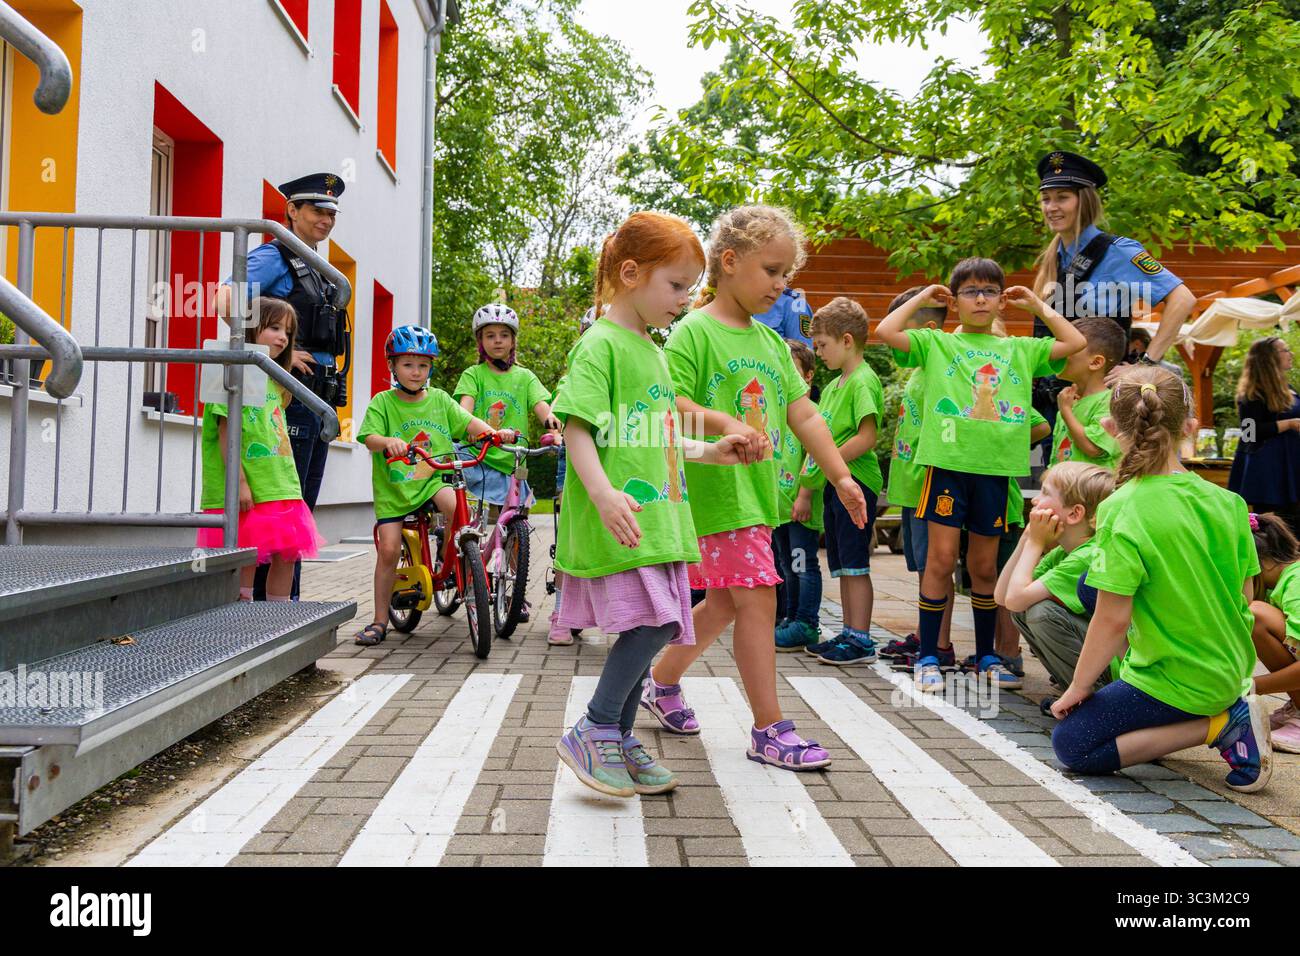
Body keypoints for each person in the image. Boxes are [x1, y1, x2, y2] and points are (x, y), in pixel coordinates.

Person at [643, 204, 868, 771]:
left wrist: (840, 476)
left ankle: (661, 681)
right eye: (771, 270)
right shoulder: (693, 332)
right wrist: (724, 423)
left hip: (754, 499)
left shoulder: (771, 345)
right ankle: (769, 728)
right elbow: (671, 406)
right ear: (729, 262)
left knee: (722, 601)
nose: (781, 284)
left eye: (786, 273)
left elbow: (805, 416)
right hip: (714, 495)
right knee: (758, 599)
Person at [551, 211, 755, 797]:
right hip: (626, 520)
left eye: (690, 288)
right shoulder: (601, 345)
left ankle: (615, 731)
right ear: (631, 273)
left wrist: (712, 451)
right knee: (657, 621)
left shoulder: (653, 351)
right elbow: (577, 428)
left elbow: (659, 436)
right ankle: (595, 727)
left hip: (661, 518)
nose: (684, 299)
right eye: (676, 285)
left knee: (661, 622)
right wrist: (602, 492)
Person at [1051, 367, 1271, 794]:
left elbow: (1113, 620)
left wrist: (1077, 688)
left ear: (1109, 427)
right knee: (1087, 588)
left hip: (1178, 679)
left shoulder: (1122, 507)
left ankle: (1221, 725)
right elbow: (1245, 596)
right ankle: (1218, 709)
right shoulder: (1229, 501)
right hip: (1229, 668)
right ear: (1189, 426)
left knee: (1073, 745)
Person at [876, 257, 1085, 693]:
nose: (981, 298)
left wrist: (1037, 306)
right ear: (955, 300)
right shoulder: (937, 345)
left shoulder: (1020, 350)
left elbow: (1075, 340)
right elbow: (884, 333)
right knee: (939, 559)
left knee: (984, 566)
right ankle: (930, 654)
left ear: (1001, 300)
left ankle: (988, 653)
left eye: (990, 290)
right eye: (970, 291)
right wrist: (922, 297)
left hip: (995, 475)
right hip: (947, 469)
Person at [214, 172, 350, 601]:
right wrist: (280, 353)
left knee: (298, 512)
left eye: (331, 213)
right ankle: (263, 612)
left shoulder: (316, 265)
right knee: (280, 512)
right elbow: (226, 300)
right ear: (291, 211)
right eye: (316, 210)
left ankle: (284, 612)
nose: (326, 220)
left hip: (315, 399)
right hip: (287, 397)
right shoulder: (277, 255)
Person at [353, 325, 500, 647]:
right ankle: (379, 621)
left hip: (433, 479)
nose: (416, 372)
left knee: (459, 510)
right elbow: (368, 437)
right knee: (389, 549)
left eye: (423, 365)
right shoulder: (384, 403)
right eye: (408, 364)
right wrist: (388, 441)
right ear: (392, 366)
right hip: (396, 490)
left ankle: (450, 561)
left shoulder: (440, 400)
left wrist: (494, 433)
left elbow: (468, 422)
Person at [1030, 151, 1195, 427]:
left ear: (1084, 201)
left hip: (1101, 404)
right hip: (1057, 400)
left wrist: (1146, 366)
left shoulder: (1118, 251)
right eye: (1046, 199)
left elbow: (1183, 299)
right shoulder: (1055, 257)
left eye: (1062, 197)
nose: (1051, 207)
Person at [196, 297, 325, 601]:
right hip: (251, 487)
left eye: (288, 332)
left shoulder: (276, 380)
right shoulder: (232, 372)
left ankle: (277, 617)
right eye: (275, 327)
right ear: (252, 328)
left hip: (280, 484)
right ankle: (244, 614)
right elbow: (225, 428)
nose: (283, 337)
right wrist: (239, 483)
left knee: (288, 554)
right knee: (248, 555)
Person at [454, 303, 559, 623]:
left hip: (513, 461)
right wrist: (475, 428)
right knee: (467, 519)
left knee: (517, 527)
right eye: (489, 335)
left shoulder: (525, 377)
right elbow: (464, 410)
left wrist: (554, 426)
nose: (497, 340)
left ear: (513, 341)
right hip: (480, 455)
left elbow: (544, 408)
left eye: (504, 335)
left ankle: (516, 593)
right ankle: (464, 565)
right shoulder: (474, 374)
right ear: (480, 341)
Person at [875, 288, 957, 670]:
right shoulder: (920, 373)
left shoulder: (941, 374)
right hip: (910, 486)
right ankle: (927, 634)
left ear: (925, 331)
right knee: (923, 566)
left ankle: (939, 644)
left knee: (935, 566)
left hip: (928, 484)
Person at [802, 296, 884, 666]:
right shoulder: (836, 384)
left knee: (855, 564)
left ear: (847, 340)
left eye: (822, 345)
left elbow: (867, 438)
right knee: (842, 563)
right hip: (838, 485)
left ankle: (861, 638)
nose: (818, 353)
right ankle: (850, 632)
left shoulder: (863, 381)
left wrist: (830, 462)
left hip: (857, 483)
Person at [996, 461, 1116, 706]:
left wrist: (1035, 544)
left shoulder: (1087, 555)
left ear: (1075, 514)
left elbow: (1014, 598)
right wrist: (1028, 538)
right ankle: (1077, 693)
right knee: (1024, 611)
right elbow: (1003, 597)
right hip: (1103, 659)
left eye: (1046, 494)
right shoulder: (1064, 552)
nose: (1035, 501)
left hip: (1118, 669)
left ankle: (1095, 700)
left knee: (1042, 612)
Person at [547, 305, 597, 647]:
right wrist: (554, 428)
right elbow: (556, 412)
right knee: (569, 539)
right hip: (576, 463)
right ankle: (561, 613)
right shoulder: (572, 379)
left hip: (619, 463)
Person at [773, 339, 824, 652]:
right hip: (779, 508)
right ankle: (790, 618)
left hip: (800, 508)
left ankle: (806, 622)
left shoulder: (811, 413)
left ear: (808, 375)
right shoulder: (779, 414)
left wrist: (804, 496)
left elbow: (816, 456)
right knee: (787, 564)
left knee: (803, 564)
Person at [1228, 336, 1300, 537]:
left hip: (1292, 464)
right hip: (1269, 468)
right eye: (1285, 350)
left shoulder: (1288, 387)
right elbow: (1249, 432)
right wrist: (1289, 424)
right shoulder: (1253, 393)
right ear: (1269, 358)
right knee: (1271, 523)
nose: (1291, 354)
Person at [1246, 512, 1300, 752]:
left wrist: (1251, 686)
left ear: (1262, 563)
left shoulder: (1296, 584)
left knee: (1257, 615)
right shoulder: (1283, 582)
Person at [1049, 316, 1126, 470]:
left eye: (1070, 347)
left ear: (1096, 362)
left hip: (1093, 492)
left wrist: (1066, 411)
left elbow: (1094, 448)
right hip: (1064, 489)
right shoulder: (1069, 402)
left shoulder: (1111, 402)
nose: (1058, 351)